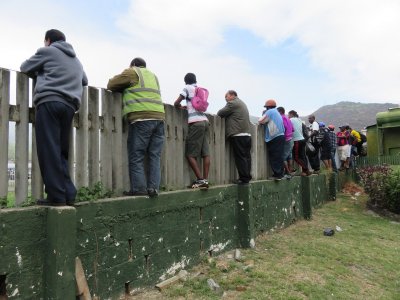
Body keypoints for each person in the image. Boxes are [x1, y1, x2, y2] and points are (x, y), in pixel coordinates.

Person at [20, 29, 88, 206]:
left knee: (49, 150)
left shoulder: (47, 51)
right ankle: (68, 194)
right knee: (61, 152)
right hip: (69, 107)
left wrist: (41, 72)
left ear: (48, 40)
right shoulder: (77, 61)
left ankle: (56, 197)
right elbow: (85, 80)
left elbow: (25, 67)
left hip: (49, 101)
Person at [107, 57, 165, 197]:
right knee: (154, 156)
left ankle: (139, 189)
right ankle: (153, 189)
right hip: (159, 118)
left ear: (133, 65)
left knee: (136, 155)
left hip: (142, 117)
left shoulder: (133, 72)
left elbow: (111, 84)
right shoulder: (153, 76)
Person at [174, 73, 210, 189]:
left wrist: (179, 106)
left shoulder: (187, 88)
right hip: (205, 121)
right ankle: (205, 180)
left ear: (185, 81)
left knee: (190, 154)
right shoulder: (199, 89)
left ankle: (200, 180)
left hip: (196, 122)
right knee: (205, 153)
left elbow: (176, 102)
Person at [217, 90, 252, 184]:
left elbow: (220, 113)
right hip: (247, 134)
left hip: (238, 134)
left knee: (240, 157)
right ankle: (247, 177)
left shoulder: (233, 103)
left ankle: (243, 179)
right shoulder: (242, 103)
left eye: (226, 96)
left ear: (232, 95)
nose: (226, 99)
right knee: (247, 157)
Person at [258, 99, 285, 180]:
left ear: (267, 107)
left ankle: (277, 175)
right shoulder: (276, 112)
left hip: (274, 137)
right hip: (280, 136)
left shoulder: (270, 112)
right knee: (279, 156)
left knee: (274, 156)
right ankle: (281, 173)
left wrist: (263, 114)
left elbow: (261, 121)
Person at [288, 110, 311, 176]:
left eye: (289, 115)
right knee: (303, 156)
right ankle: (305, 171)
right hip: (302, 139)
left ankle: (306, 169)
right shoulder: (299, 120)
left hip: (296, 140)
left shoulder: (291, 120)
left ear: (291, 114)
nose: (288, 116)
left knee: (296, 157)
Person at [277, 107, 294, 178]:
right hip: (291, 139)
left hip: (286, 139)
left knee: (283, 157)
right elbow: (293, 129)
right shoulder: (288, 118)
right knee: (289, 156)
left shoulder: (282, 118)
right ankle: (289, 171)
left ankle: (288, 173)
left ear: (280, 112)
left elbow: (284, 127)